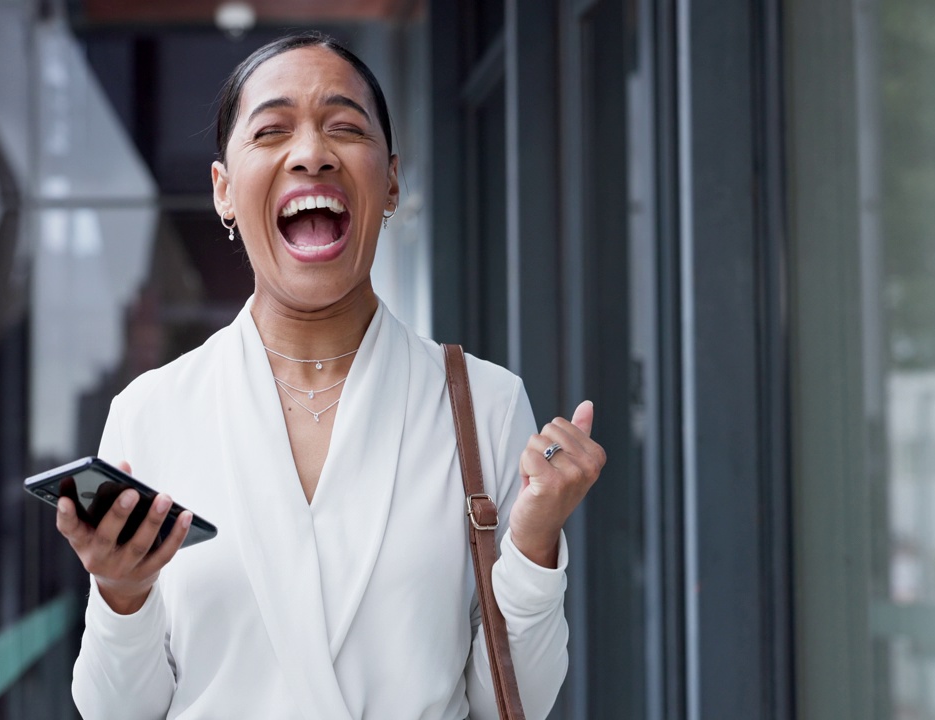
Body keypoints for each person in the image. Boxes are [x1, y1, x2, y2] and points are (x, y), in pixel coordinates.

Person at [56, 31, 606, 720]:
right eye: (272, 131)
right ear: (224, 191)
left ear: (394, 181)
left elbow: (510, 705)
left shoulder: (487, 405)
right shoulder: (152, 412)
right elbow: (115, 714)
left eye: (344, 127)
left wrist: (533, 545)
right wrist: (120, 593)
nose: (312, 153)